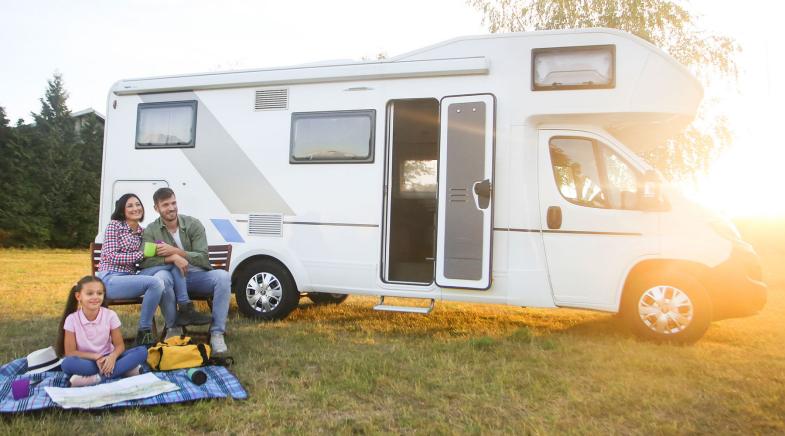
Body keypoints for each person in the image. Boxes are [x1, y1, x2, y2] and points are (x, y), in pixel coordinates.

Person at [97, 193, 206, 346]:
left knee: (166, 271)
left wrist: (172, 255)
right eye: (130, 205)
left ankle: (185, 307)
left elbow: (150, 258)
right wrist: (142, 254)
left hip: (131, 277)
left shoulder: (143, 232)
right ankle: (145, 332)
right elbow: (111, 256)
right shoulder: (115, 226)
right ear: (122, 210)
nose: (135, 208)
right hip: (111, 279)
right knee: (156, 283)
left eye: (138, 204)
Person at [140, 188, 231, 353]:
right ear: (156, 208)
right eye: (165, 205)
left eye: (173, 203)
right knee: (162, 277)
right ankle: (173, 327)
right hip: (172, 280)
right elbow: (146, 262)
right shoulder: (151, 231)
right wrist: (171, 258)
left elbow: (203, 258)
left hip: (197, 277)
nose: (171, 208)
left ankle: (217, 333)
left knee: (223, 277)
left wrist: (176, 251)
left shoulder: (193, 224)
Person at [55, 276, 148, 387]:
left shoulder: (110, 315)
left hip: (110, 358)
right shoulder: (71, 319)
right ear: (78, 296)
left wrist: (112, 358)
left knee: (142, 351)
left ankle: (97, 378)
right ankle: (124, 370)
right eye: (90, 294)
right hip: (87, 361)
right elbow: (70, 352)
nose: (95, 297)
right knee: (67, 364)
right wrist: (96, 357)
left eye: (99, 293)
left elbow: (119, 346)